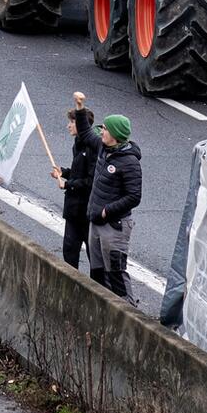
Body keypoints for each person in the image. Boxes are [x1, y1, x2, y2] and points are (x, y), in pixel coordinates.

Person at [85, 114, 142, 301]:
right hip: (96, 222)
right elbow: (86, 133)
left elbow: (134, 196)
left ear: (115, 134)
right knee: (97, 272)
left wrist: (106, 211)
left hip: (114, 226)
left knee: (115, 272)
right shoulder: (104, 148)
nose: (102, 131)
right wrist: (79, 109)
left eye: (106, 129)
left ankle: (129, 313)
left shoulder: (129, 162)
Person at [52, 108, 100, 271]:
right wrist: (64, 172)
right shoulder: (78, 144)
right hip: (74, 209)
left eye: (72, 122)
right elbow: (79, 172)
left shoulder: (92, 148)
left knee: (93, 257)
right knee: (69, 251)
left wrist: (68, 184)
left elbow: (91, 180)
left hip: (85, 210)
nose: (68, 126)